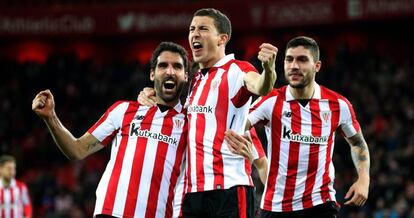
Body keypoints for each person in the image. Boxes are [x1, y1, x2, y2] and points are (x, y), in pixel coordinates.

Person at [139, 8, 277, 217]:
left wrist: (268, 71)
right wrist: (150, 94)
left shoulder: (236, 70)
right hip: (193, 194)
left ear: (222, 38)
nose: (195, 33)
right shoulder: (196, 81)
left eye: (203, 28)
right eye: (192, 28)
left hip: (228, 190)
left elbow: (261, 86)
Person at [32, 42, 189, 218]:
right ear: (152, 74)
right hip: (110, 213)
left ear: (186, 76)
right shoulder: (123, 110)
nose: (169, 71)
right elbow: (77, 150)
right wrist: (51, 117)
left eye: (177, 66)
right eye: (163, 66)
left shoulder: (191, 123)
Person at [225, 36, 370, 218]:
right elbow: (235, 125)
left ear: (317, 66)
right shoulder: (270, 101)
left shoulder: (338, 105)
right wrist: (254, 155)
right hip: (276, 206)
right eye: (289, 59)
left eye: (302, 60)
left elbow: (357, 143)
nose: (294, 66)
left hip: (320, 204)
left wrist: (364, 178)